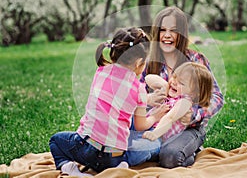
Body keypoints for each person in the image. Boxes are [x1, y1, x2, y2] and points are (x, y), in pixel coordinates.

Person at [49, 27, 168, 176]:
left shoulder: (100, 72)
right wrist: (156, 116)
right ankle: (122, 164)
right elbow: (140, 125)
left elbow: (114, 99)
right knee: (154, 145)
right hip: (113, 158)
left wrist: (147, 100)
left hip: (84, 149)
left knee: (55, 140)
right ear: (138, 63)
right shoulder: (139, 89)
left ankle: (69, 169)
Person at [140, 6, 224, 168]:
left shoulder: (196, 59)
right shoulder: (149, 64)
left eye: (173, 30)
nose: (167, 35)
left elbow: (217, 97)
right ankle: (175, 150)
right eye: (162, 30)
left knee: (170, 157)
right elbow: (133, 96)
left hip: (189, 128)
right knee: (133, 148)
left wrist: (194, 114)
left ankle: (186, 150)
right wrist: (149, 99)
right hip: (155, 124)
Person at [142, 62, 213, 142]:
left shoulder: (185, 102)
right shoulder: (170, 94)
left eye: (181, 83)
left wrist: (155, 133)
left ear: (194, 93)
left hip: (158, 136)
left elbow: (170, 118)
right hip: (146, 126)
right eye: (174, 77)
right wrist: (165, 85)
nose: (174, 82)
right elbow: (148, 78)